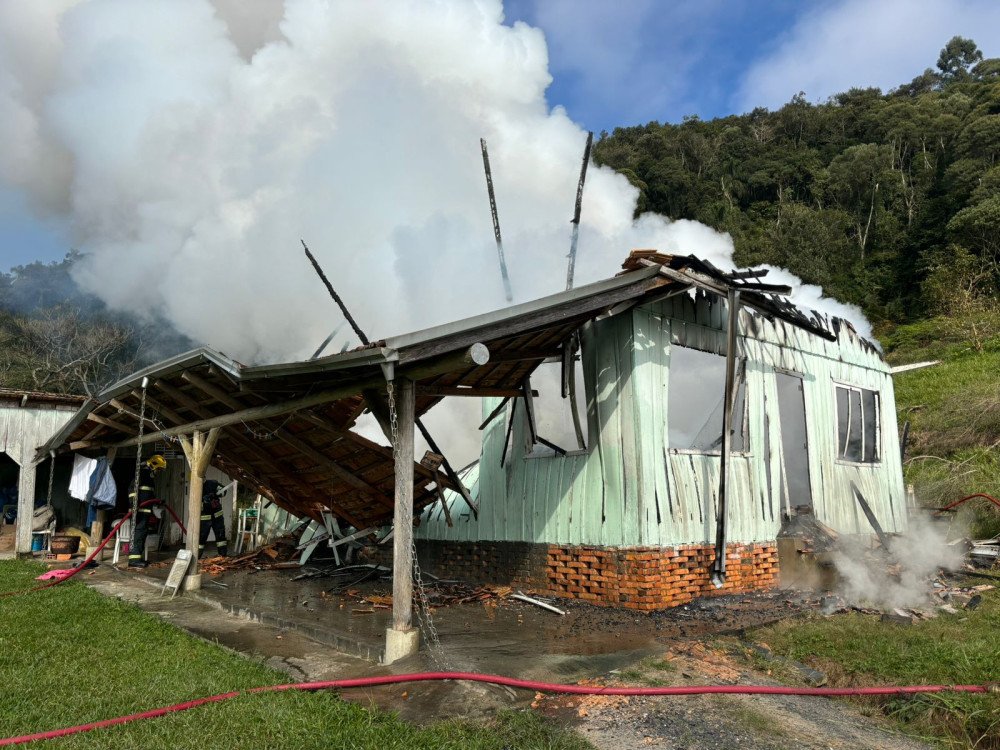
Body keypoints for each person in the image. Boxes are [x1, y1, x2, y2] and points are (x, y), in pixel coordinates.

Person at [127, 454, 167, 568]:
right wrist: (134, 505)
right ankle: (133, 560)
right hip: (139, 512)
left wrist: (157, 501)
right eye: (158, 469)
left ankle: (137, 558)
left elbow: (148, 496)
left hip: (145, 512)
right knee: (138, 534)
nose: (158, 472)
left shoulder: (148, 479)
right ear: (153, 465)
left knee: (142, 534)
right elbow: (132, 489)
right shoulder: (142, 474)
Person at [198, 479, 229, 558]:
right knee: (201, 537)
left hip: (217, 515)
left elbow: (224, 491)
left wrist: (215, 494)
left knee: (221, 536)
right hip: (205, 517)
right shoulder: (196, 487)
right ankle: (197, 556)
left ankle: (223, 555)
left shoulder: (212, 483)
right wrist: (203, 500)